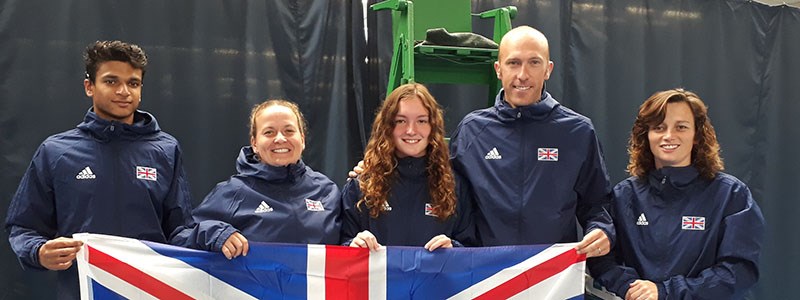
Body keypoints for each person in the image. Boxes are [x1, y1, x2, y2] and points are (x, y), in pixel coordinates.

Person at [3, 40, 243, 299]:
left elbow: (179, 230)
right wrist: (38, 252)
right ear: (89, 87)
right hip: (82, 291)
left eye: (133, 83)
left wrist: (215, 233)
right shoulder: (56, 151)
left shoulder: (165, 149)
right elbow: (23, 226)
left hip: (150, 290)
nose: (123, 91)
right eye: (111, 81)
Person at [447, 26, 614, 256]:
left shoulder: (577, 131)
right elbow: (448, 202)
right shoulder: (472, 130)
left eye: (534, 63)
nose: (523, 75)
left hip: (551, 279)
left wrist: (602, 230)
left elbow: (598, 204)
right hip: (486, 278)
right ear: (498, 69)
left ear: (548, 69)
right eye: (513, 63)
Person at [588, 89, 765, 300]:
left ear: (697, 135)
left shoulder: (731, 195)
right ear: (646, 136)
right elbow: (602, 260)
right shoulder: (625, 195)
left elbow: (739, 271)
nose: (669, 136)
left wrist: (665, 292)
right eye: (659, 127)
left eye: (681, 127)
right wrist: (630, 287)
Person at [171, 100, 341, 248]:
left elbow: (346, 245)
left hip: (315, 287)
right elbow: (180, 238)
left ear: (302, 139)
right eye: (269, 132)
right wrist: (215, 233)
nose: (280, 139)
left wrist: (355, 245)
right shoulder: (234, 192)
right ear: (254, 143)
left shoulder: (327, 191)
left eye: (289, 131)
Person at [341, 83, 475, 251]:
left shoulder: (455, 187)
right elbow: (338, 250)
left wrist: (454, 249)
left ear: (433, 127)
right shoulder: (360, 186)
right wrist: (352, 245)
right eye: (401, 121)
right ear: (387, 127)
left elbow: (472, 252)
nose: (411, 130)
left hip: (434, 278)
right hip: (378, 278)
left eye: (421, 121)